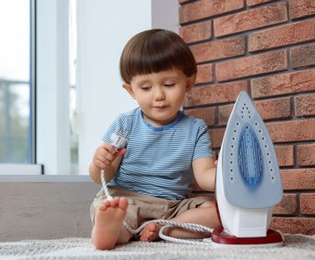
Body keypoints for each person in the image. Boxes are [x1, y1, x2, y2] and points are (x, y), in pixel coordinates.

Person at [89, 29, 219, 250]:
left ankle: (162, 228)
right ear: (131, 90)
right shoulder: (125, 124)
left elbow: (205, 176)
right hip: (127, 200)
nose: (158, 95)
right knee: (116, 211)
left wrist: (224, 174)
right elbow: (100, 176)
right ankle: (111, 230)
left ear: (188, 83)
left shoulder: (195, 129)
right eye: (146, 88)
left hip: (174, 207)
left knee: (216, 212)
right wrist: (100, 162)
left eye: (168, 85)